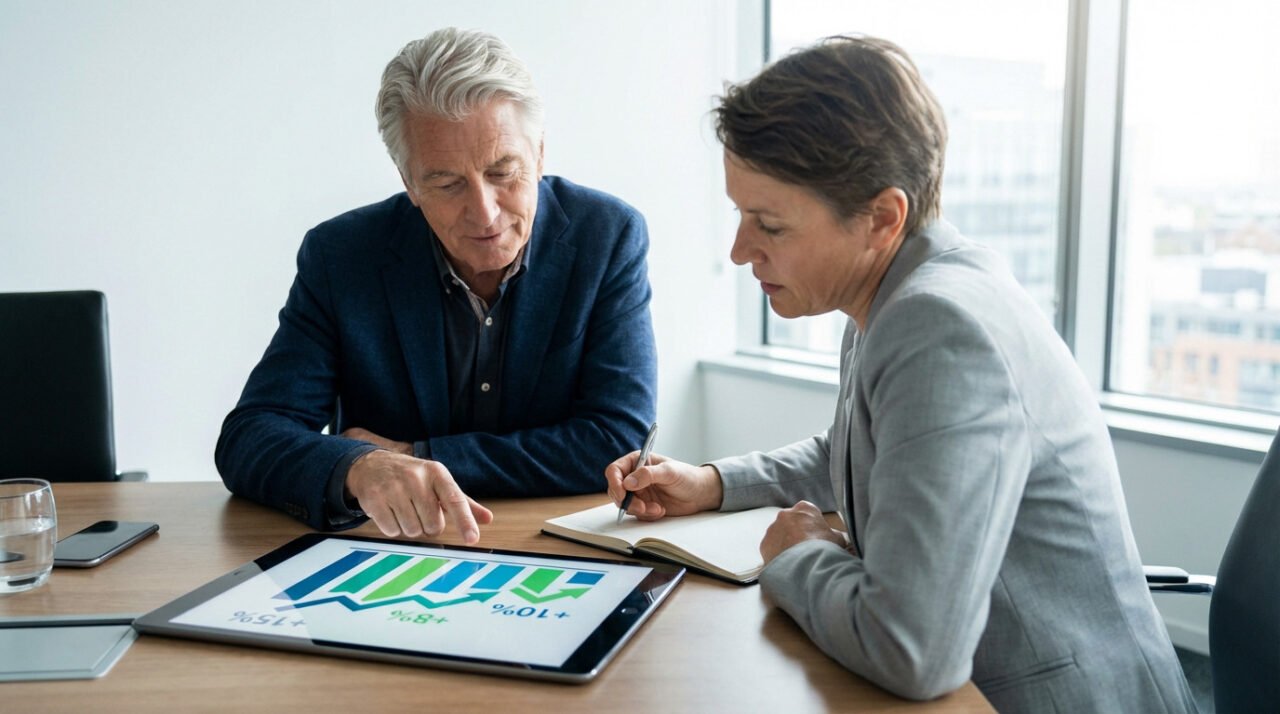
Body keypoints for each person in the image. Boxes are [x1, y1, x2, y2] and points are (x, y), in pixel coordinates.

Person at [606, 36, 1195, 712]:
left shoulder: (942, 329)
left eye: (767, 223)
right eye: (741, 214)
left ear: (882, 218)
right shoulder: (905, 290)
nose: (740, 251)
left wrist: (794, 556)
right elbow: (861, 450)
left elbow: (913, 649)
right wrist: (713, 484)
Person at [217, 28, 656, 544]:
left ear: (539, 154)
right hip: (394, 551)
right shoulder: (342, 256)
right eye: (447, 184)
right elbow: (251, 436)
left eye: (504, 171)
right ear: (409, 183)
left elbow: (617, 441)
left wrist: (412, 456)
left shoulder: (607, 236)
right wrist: (360, 469)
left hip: (558, 546)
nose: (485, 211)